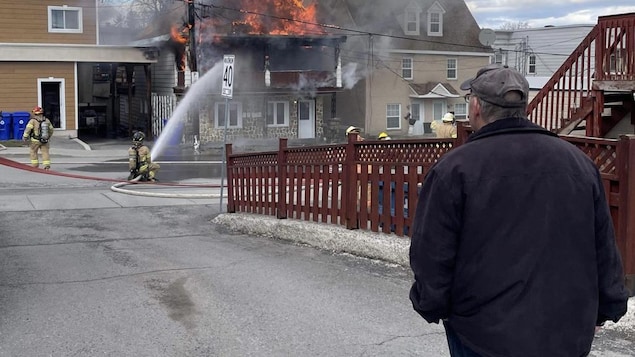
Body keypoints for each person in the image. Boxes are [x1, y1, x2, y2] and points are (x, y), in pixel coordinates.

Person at [409, 64, 628, 357]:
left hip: (482, 334)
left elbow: (432, 251)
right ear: (523, 107)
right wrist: (607, 305)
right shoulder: (579, 164)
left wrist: (431, 303)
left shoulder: (455, 169)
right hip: (566, 331)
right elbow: (603, 241)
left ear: (475, 107)